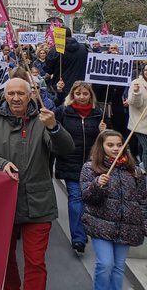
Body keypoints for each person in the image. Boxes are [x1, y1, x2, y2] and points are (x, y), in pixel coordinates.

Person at [0, 77, 74, 290]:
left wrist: (54, 128)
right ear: (5, 95)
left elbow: (65, 149)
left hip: (38, 204)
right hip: (3, 203)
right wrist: (1, 163)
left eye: (21, 93)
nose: (16, 98)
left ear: (30, 95)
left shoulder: (43, 119)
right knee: (5, 260)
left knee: (35, 262)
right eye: (11, 93)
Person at [81, 130, 147, 290]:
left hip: (126, 227)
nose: (116, 148)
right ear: (101, 146)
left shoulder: (135, 171)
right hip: (101, 225)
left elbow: (142, 201)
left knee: (118, 268)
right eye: (110, 145)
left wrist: (144, 225)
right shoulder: (91, 168)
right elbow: (87, 196)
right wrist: (97, 185)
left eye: (119, 145)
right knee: (105, 264)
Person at [54, 80, 106, 254]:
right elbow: (53, 129)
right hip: (70, 162)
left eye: (85, 94)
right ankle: (78, 238)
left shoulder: (98, 114)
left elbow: (108, 141)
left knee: (88, 199)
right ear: (73, 95)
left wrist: (103, 131)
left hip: (92, 165)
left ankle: (88, 229)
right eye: (78, 94)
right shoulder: (63, 112)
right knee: (76, 198)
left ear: (90, 96)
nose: (82, 97)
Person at [127, 62, 147, 171]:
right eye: (146, 70)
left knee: (143, 148)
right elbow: (134, 103)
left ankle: (141, 166)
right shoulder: (136, 83)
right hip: (140, 124)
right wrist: (136, 92)